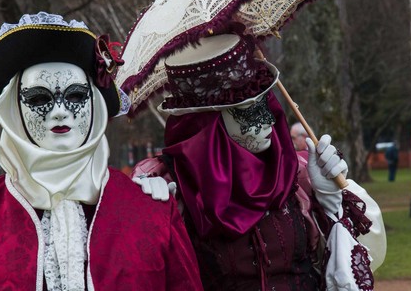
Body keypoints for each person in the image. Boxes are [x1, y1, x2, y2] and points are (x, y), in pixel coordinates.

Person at [0, 12, 202, 290]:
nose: (60, 112)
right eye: (39, 99)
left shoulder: (154, 213)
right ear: (13, 110)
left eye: (76, 95)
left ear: (95, 105)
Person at [131, 34, 386, 291]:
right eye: (248, 109)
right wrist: (157, 223)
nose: (268, 121)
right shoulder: (172, 186)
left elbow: (347, 271)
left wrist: (333, 203)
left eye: (266, 102)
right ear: (207, 122)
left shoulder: (297, 176)